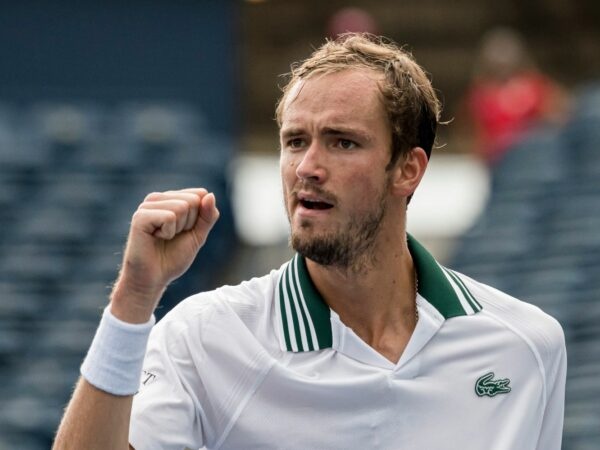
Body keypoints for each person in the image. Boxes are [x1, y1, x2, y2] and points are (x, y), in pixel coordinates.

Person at [53, 33, 566, 450]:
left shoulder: (528, 347)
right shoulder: (202, 337)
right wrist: (133, 299)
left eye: (342, 142)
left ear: (408, 169)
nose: (308, 168)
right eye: (295, 142)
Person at [461, 27, 569, 165]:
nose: (502, 65)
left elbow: (560, 114)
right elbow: (472, 135)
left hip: (533, 156)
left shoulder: (535, 86)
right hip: (499, 162)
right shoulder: (480, 95)